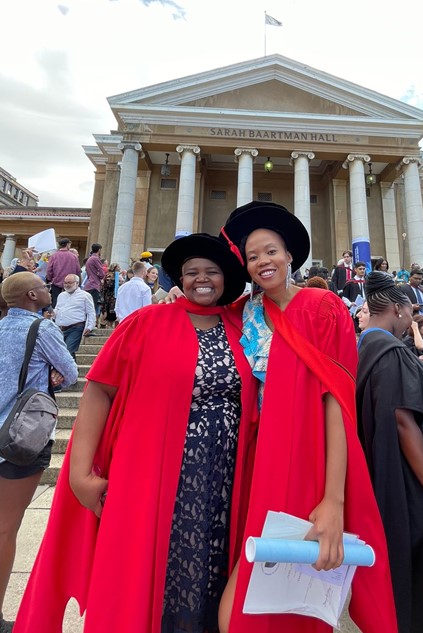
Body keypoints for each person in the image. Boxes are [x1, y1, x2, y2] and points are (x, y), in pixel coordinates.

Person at [12, 234, 258, 633]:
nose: (201, 279)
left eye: (211, 272)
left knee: (214, 575)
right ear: (179, 277)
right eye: (191, 272)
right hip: (156, 477)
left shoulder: (244, 330)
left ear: (226, 278)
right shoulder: (148, 322)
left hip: (225, 479)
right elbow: (98, 391)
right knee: (155, 579)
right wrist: (79, 473)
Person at [217, 201, 397, 633]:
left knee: (290, 590)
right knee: (244, 594)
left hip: (305, 452)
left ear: (290, 255)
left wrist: (333, 499)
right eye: (253, 255)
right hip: (254, 453)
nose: (263, 261)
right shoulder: (245, 313)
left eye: (271, 250)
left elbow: (337, 403)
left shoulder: (323, 307)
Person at [356, 271, 423, 633]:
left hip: (388, 483)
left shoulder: (368, 347)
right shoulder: (389, 352)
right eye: (410, 311)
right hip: (411, 492)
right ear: (398, 309)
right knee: (418, 591)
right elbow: (403, 422)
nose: (411, 320)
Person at [0, 272, 77, 633]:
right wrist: (53, 374)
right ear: (32, 295)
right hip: (18, 438)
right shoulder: (42, 329)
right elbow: (71, 372)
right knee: (5, 529)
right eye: (45, 287)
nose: (50, 290)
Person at [53, 274, 96, 360]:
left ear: (77, 283)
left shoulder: (85, 295)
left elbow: (91, 312)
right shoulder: (61, 295)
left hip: (76, 327)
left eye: (70, 282)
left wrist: (90, 326)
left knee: (68, 350)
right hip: (61, 328)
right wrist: (52, 314)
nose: (67, 285)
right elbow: (57, 308)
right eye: (65, 283)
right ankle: (73, 371)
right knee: (64, 352)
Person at [46, 238, 81, 308]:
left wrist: (49, 279)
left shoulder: (54, 256)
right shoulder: (74, 257)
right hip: (71, 284)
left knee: (56, 304)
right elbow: (78, 271)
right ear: (67, 244)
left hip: (56, 283)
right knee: (69, 304)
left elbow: (49, 270)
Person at [83, 243, 105, 316]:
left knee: (87, 306)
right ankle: (90, 323)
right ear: (99, 250)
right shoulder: (95, 258)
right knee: (92, 306)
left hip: (89, 284)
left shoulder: (90, 258)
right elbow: (102, 273)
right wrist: (100, 275)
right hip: (94, 284)